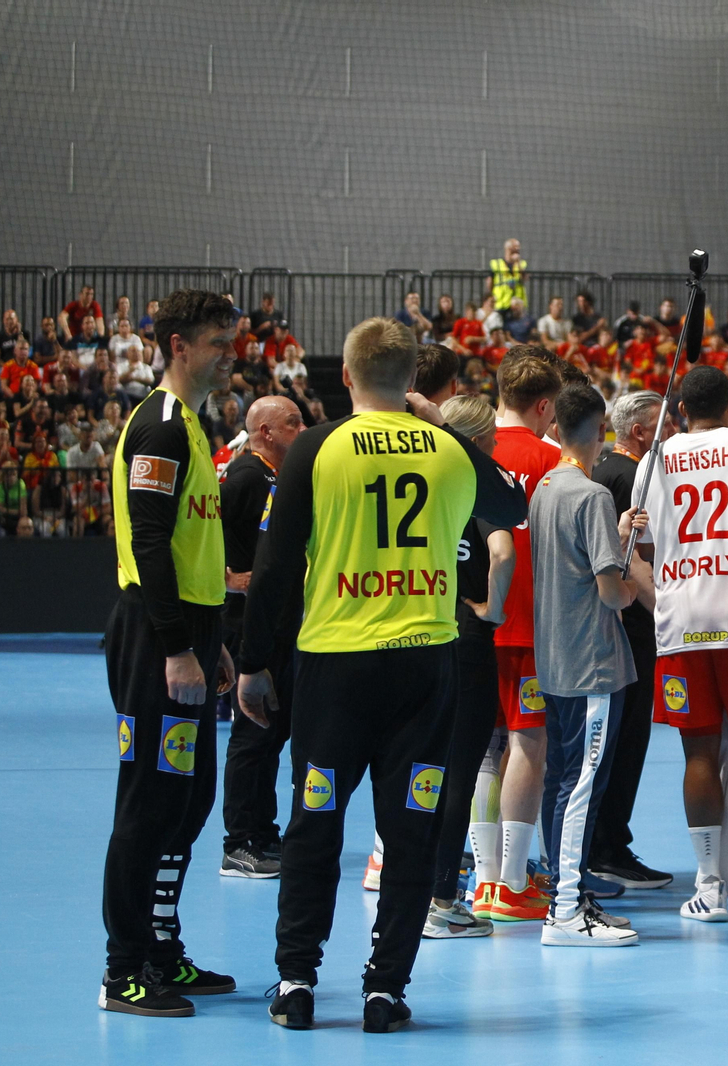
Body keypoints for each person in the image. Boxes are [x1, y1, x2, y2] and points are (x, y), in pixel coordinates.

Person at [236, 317, 525, 1033]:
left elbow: (273, 569)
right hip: (425, 670)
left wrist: (251, 663)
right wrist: (440, 428)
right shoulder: (449, 453)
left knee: (315, 823)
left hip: (335, 669)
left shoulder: (315, 446)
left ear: (346, 376)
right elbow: (511, 507)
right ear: (413, 382)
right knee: (412, 828)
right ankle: (385, 989)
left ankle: (297, 981)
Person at [98, 289, 240, 1018]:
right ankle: (123, 970)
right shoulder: (158, 426)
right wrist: (177, 646)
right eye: (218, 340)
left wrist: (209, 642)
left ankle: (161, 950)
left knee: (187, 800)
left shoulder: (190, 422)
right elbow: (149, 541)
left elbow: (189, 542)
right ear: (179, 344)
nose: (229, 353)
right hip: (158, 638)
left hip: (190, 631)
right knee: (149, 802)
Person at [631, 366, 728, 921]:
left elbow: (638, 544)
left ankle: (709, 885)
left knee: (699, 753)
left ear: (681, 411)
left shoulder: (653, 460)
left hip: (683, 622)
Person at [529, 384, 646, 945]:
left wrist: (616, 537)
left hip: (554, 659)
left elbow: (575, 560)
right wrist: (630, 582)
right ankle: (567, 912)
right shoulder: (594, 494)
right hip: (592, 663)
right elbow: (610, 592)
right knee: (581, 787)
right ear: (599, 429)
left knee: (561, 781)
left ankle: (565, 894)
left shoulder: (547, 486)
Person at [418, 392, 514, 941]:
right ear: (476, 441)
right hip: (468, 638)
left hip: (421, 630)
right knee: (461, 773)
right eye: (492, 441)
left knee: (419, 768)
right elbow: (502, 552)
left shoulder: (424, 481)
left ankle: (411, 885)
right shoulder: (476, 484)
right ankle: (442, 899)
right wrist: (492, 610)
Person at [476, 351, 563, 922]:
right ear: (545, 404)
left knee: (484, 749)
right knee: (529, 745)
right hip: (533, 627)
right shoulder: (554, 460)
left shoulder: (469, 452)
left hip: (477, 623)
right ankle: (512, 881)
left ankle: (483, 881)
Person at [587, 390, 674, 891]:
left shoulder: (614, 471)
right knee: (625, 742)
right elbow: (629, 554)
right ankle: (608, 847)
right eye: (665, 424)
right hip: (634, 629)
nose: (673, 432)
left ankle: (608, 842)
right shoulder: (628, 475)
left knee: (621, 741)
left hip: (625, 628)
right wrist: (663, 613)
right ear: (640, 431)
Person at [216, 396, 305, 879]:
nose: (303, 428)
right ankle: (239, 842)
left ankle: (263, 831)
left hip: (277, 623)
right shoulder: (247, 477)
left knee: (271, 731)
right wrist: (229, 579)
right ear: (265, 432)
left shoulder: (273, 477)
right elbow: (210, 538)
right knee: (252, 734)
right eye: (293, 423)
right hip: (251, 625)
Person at [487, 238, 527, 313]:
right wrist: (492, 296)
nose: (517, 251)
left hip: (517, 304)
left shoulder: (522, 264)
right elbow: (490, 282)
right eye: (514, 248)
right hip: (501, 304)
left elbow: (524, 279)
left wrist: (518, 263)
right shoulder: (496, 264)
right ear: (508, 249)